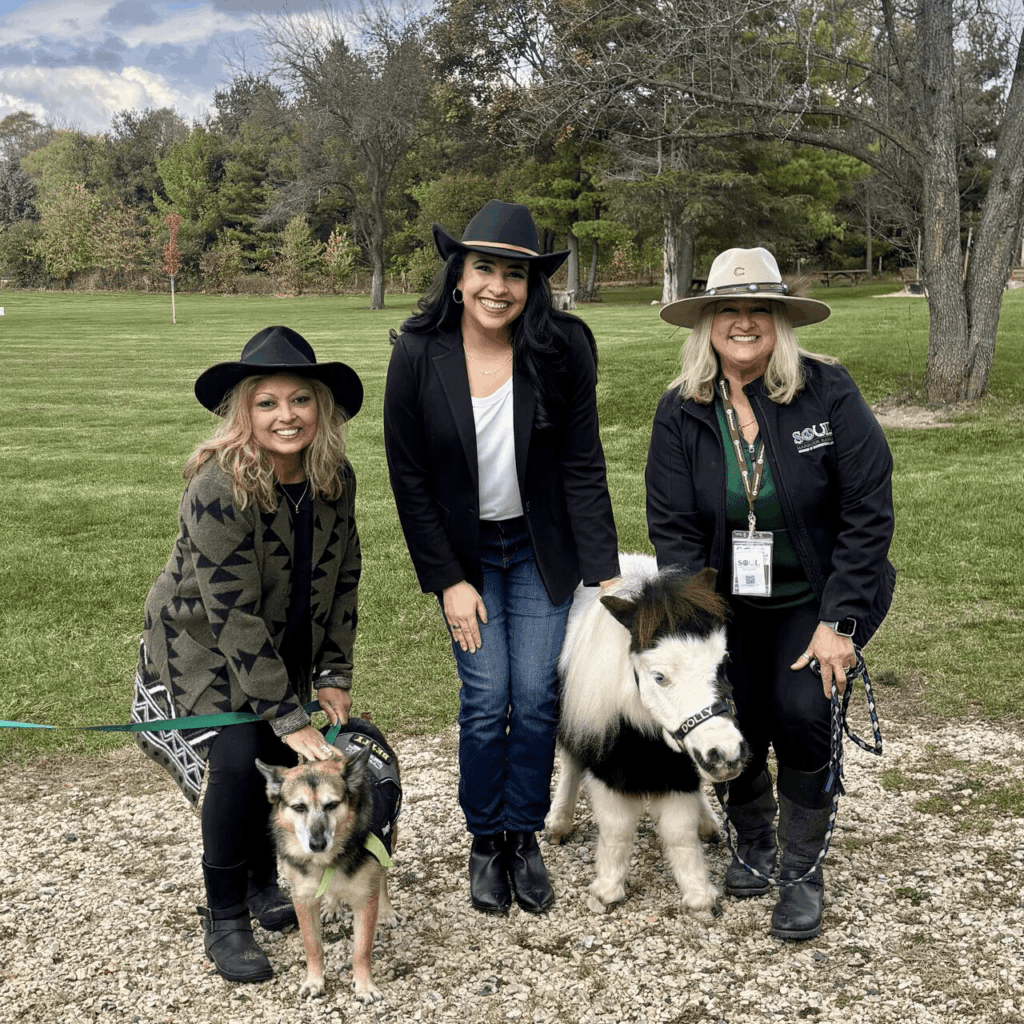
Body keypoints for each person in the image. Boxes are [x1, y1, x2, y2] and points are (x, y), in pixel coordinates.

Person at [645, 248, 895, 940]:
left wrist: (839, 622)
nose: (746, 323)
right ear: (708, 324)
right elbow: (673, 531)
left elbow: (869, 509)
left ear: (781, 321)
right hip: (729, 605)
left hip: (818, 598)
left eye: (761, 310)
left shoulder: (827, 392)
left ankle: (801, 868)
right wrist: (696, 634)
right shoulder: (681, 412)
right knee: (733, 711)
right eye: (730, 310)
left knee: (802, 707)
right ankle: (755, 840)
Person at [383, 200, 620, 915]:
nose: (498, 286)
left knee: (538, 696)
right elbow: (410, 479)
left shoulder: (562, 348)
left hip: (539, 550)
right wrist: (449, 580)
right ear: (458, 275)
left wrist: (604, 568)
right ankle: (485, 840)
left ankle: (526, 835)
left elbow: (582, 463)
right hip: (469, 556)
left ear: (532, 284)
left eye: (515, 273)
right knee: (488, 699)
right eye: (484, 268)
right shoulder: (418, 353)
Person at [130, 326, 364, 981]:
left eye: (299, 400)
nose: (285, 416)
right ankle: (226, 913)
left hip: (282, 644)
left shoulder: (334, 477)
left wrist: (333, 674)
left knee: (276, 757)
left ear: (322, 407)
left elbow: (345, 578)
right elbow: (228, 613)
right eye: (267, 402)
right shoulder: (218, 485)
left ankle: (266, 882)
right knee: (238, 761)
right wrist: (288, 716)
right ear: (244, 412)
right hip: (200, 648)